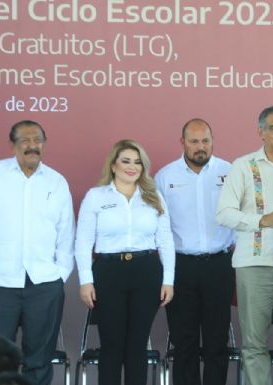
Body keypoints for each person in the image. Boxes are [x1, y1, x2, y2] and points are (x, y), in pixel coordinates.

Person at [0, 120, 74, 385]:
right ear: (12, 145)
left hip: (44, 285)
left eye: (37, 140)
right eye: (25, 140)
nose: (32, 146)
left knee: (39, 361)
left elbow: (66, 235)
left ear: (44, 143)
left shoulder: (56, 181)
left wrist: (58, 277)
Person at [75, 139, 175, 385]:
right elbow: (83, 241)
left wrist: (168, 280)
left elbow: (165, 241)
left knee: (137, 345)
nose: (132, 167)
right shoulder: (96, 196)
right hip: (108, 273)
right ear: (113, 165)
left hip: (146, 272)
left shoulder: (153, 197)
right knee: (111, 345)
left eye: (138, 162)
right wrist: (86, 281)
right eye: (126, 161)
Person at [216, 105, 273, 385]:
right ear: (260, 132)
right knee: (253, 344)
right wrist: (264, 220)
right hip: (254, 264)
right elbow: (224, 213)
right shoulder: (243, 165)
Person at [155, 119, 234, 385]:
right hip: (181, 267)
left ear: (212, 140)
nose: (201, 147)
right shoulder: (165, 177)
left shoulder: (230, 172)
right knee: (184, 343)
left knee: (216, 343)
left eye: (205, 140)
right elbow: (159, 226)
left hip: (219, 265)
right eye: (194, 141)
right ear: (182, 143)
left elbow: (241, 217)